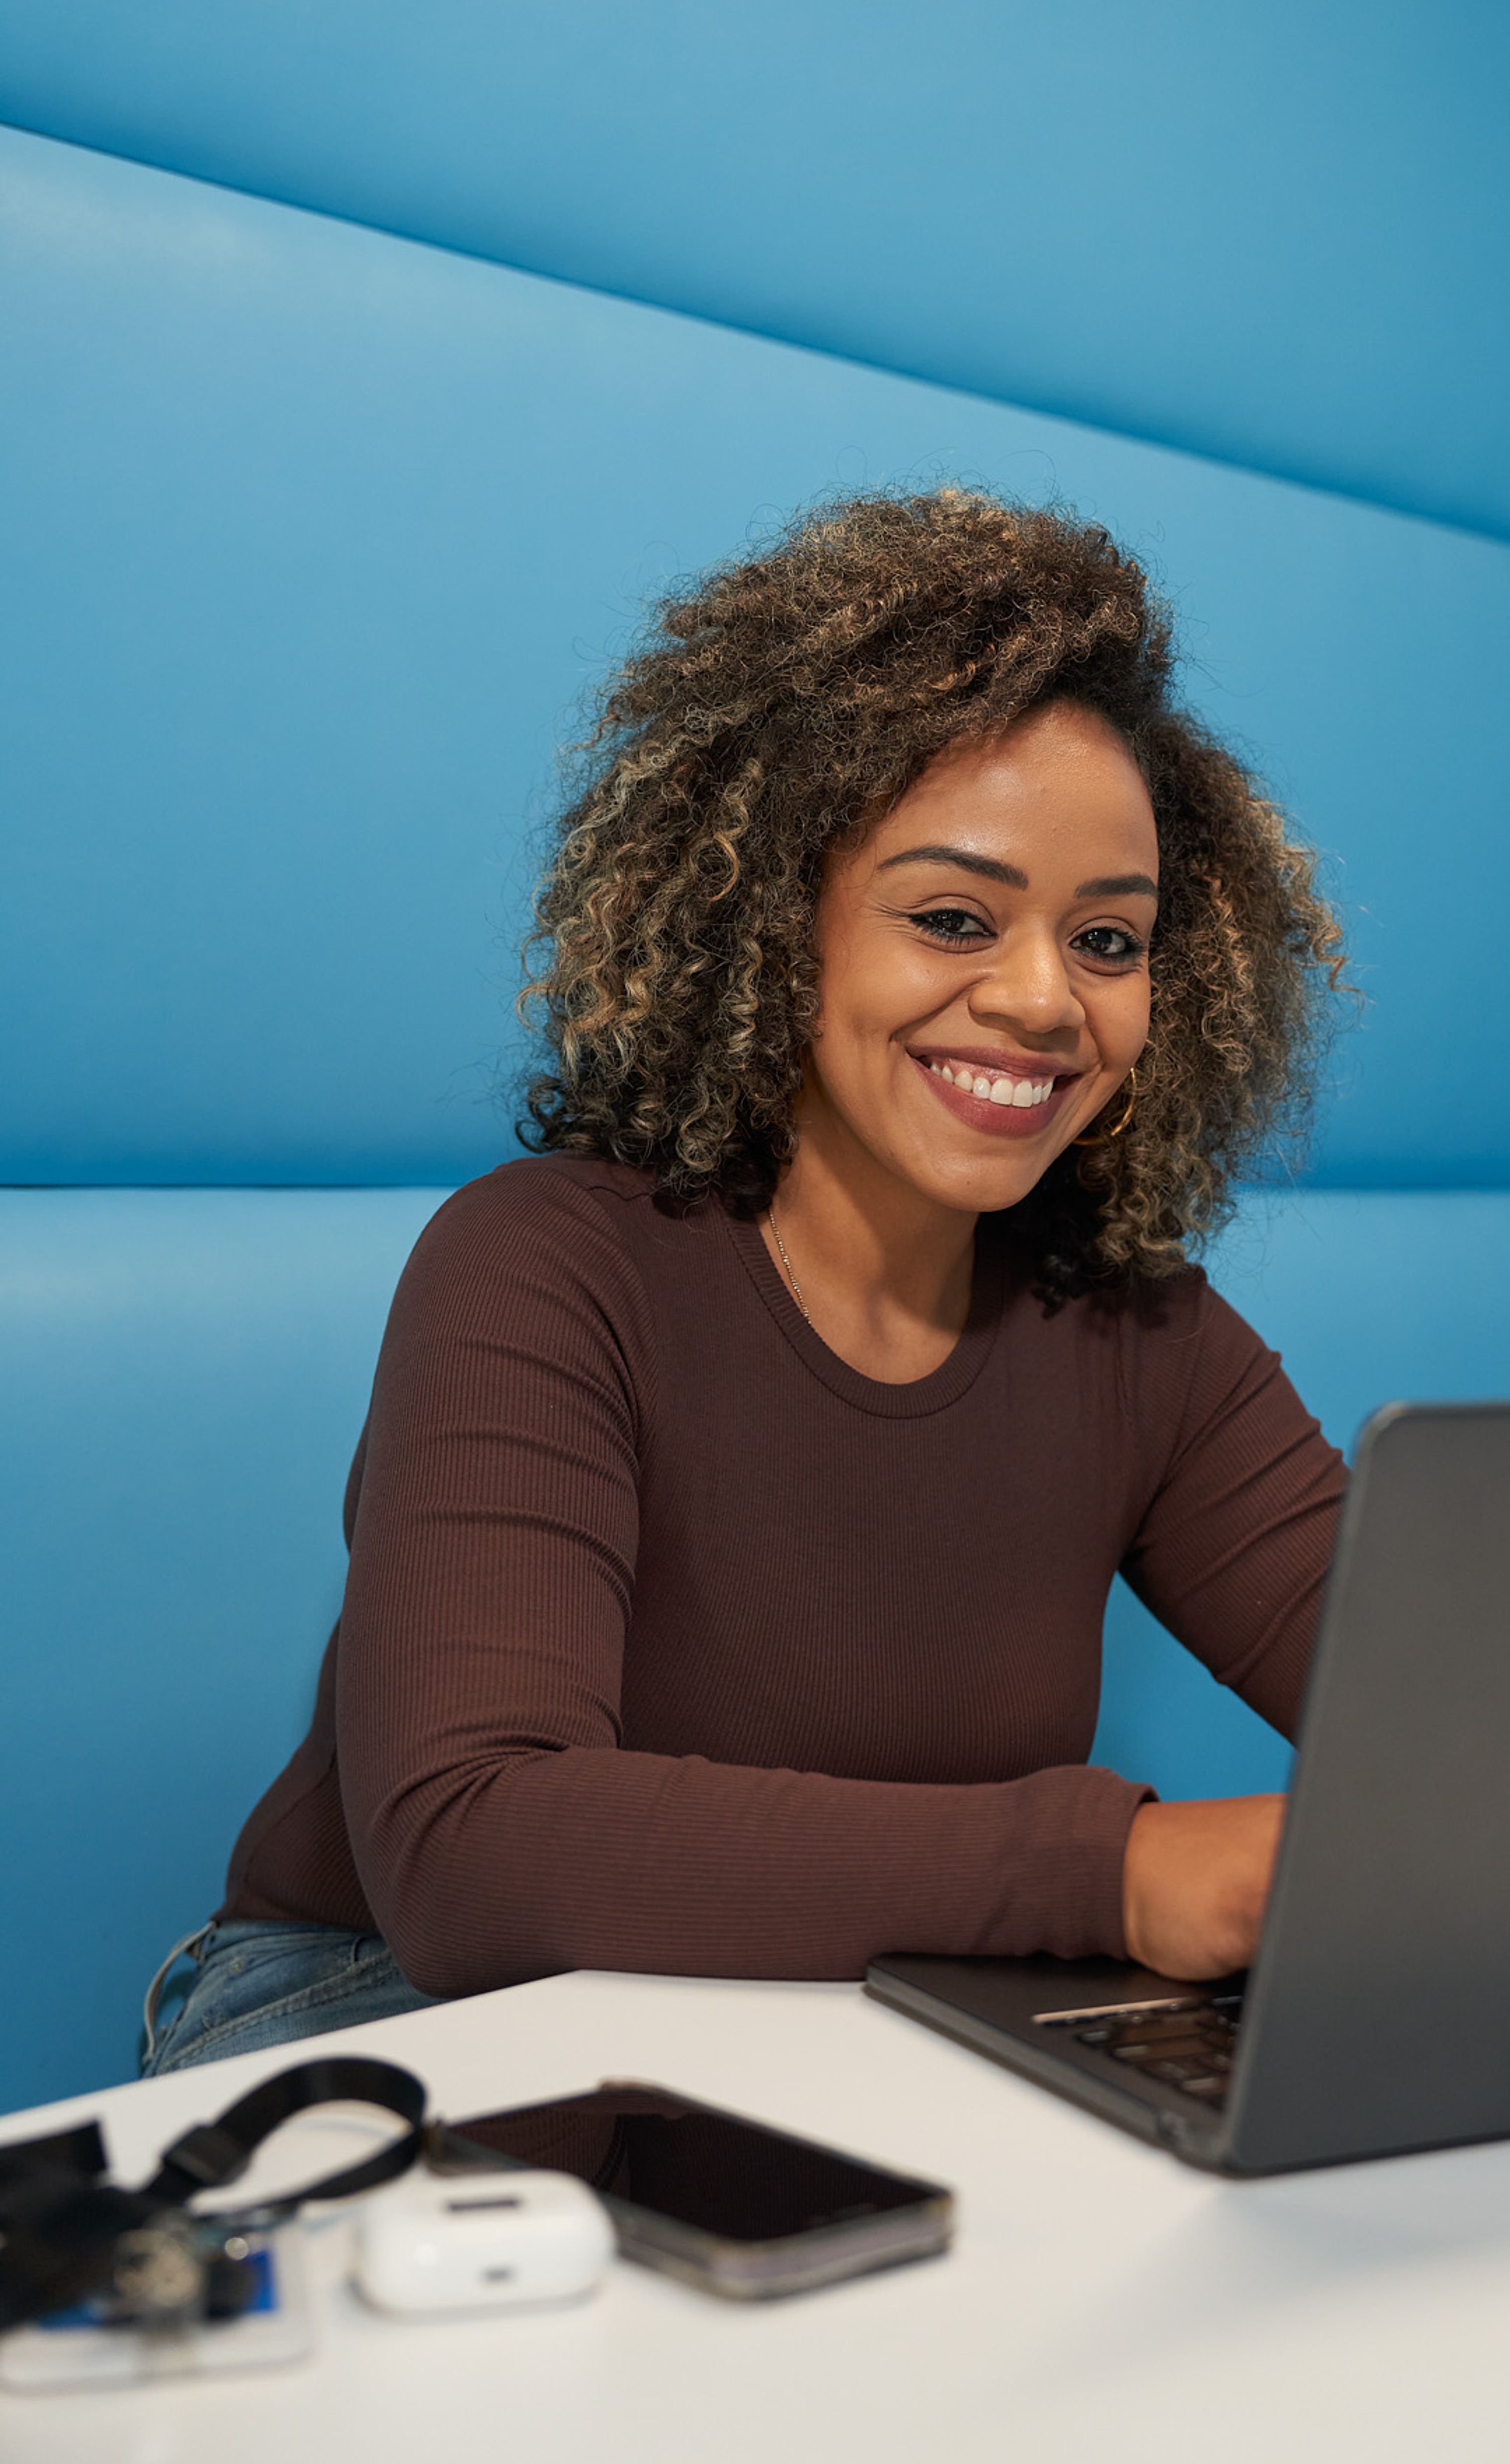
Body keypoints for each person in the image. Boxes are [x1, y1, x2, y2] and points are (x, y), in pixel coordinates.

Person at [142, 489, 1349, 2075]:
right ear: (773, 919)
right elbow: (473, 1842)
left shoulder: (1148, 1335)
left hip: (853, 2013)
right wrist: (1109, 1871)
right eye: (951, 918)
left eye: (1111, 942)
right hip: (390, 2007)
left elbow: (1439, 1699)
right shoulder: (543, 1263)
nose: (1046, 999)